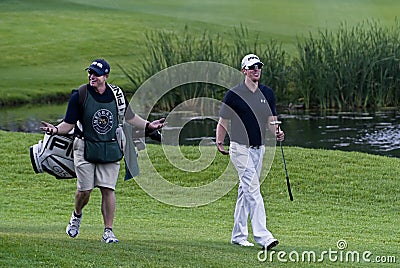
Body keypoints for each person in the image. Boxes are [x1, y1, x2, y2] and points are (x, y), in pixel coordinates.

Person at [40, 59, 164, 243]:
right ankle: (76, 216)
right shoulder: (80, 95)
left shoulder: (117, 94)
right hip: (84, 146)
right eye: (90, 73)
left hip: (110, 146)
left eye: (96, 74)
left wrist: (148, 126)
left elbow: (129, 117)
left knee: (108, 189)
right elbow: (68, 124)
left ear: (106, 76)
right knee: (85, 190)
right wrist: (55, 130)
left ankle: (108, 231)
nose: (92, 77)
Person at [215, 54, 284, 250]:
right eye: (252, 67)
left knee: (245, 191)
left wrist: (278, 132)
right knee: (253, 190)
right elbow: (223, 122)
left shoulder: (267, 93)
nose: (256, 70)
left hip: (258, 148)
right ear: (244, 70)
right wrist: (219, 141)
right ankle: (264, 237)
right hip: (239, 148)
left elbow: (271, 121)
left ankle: (238, 235)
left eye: (259, 67)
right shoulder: (234, 94)